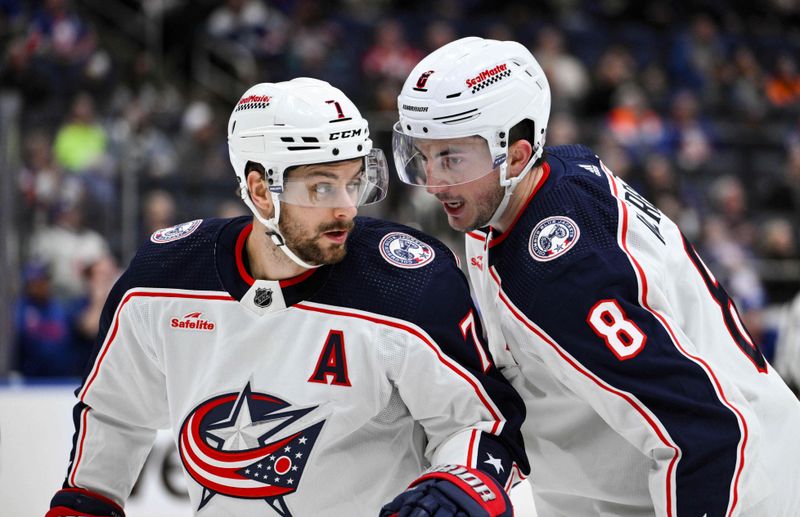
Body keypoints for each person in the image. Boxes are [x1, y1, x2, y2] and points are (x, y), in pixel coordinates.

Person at [46, 78, 527, 517]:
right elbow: (114, 411)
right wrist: (87, 499)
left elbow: (481, 424)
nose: (345, 207)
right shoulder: (163, 279)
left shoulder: (405, 283)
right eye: (321, 186)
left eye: (353, 181)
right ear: (259, 191)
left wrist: (459, 487)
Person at [393, 37, 800, 516]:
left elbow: (707, 433)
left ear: (518, 156)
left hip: (737, 492)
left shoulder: (563, 268)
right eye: (424, 156)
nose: (436, 181)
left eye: (452, 158)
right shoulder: (522, 192)